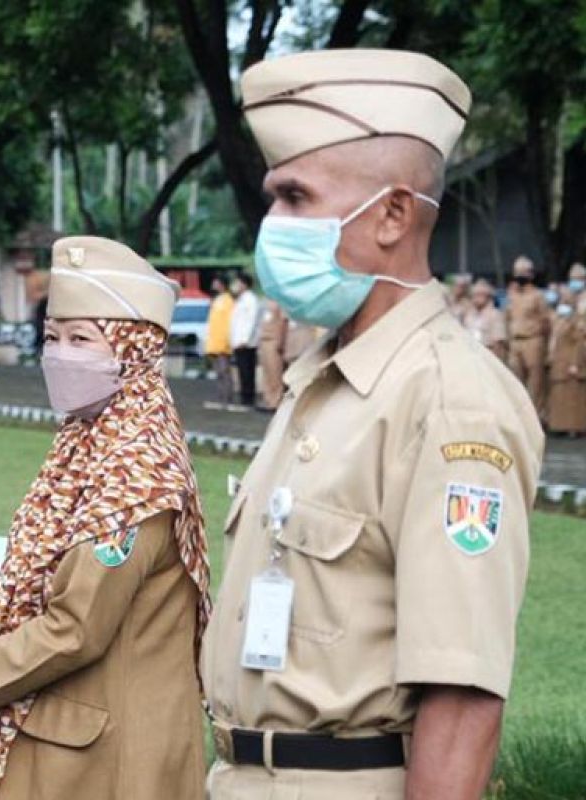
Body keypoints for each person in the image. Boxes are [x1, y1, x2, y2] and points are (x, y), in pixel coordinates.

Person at [204, 50, 543, 799]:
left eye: (295, 197)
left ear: (392, 213)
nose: (274, 225)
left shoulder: (451, 401)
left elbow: (460, 699)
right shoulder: (321, 381)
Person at [0, 235, 211, 800]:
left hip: (111, 762)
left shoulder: (137, 470)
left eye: (82, 339)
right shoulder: (87, 443)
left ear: (135, 351)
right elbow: (43, 601)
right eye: (52, 337)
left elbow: (75, 629)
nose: (60, 354)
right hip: (75, 744)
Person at [505, 254, 550, 412]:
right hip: (515, 341)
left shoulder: (538, 296)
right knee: (515, 380)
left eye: (523, 273)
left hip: (533, 340)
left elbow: (546, 322)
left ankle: (537, 417)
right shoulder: (512, 295)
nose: (520, 276)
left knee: (535, 382)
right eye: (517, 273)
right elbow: (507, 318)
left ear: (531, 275)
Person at [546, 289, 586, 438]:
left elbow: (578, 343)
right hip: (558, 362)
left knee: (573, 398)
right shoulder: (558, 320)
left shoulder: (576, 322)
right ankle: (559, 426)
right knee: (559, 396)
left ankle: (574, 428)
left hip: (570, 362)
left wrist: (575, 363)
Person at [228, 271, 260, 409]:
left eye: (238, 282)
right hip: (238, 341)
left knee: (247, 370)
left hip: (246, 342)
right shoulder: (240, 299)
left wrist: (244, 339)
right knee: (242, 370)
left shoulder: (251, 299)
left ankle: (248, 397)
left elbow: (251, 321)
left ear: (244, 284)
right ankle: (244, 396)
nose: (235, 285)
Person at [203, 274, 235, 409]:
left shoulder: (228, 300)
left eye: (216, 282)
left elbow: (229, 322)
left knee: (224, 371)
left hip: (223, 342)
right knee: (218, 372)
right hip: (214, 342)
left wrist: (228, 340)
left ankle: (227, 398)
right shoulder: (216, 300)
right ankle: (220, 397)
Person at [463, 277, 507, 360]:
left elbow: (498, 342)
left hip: (488, 355)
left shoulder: (495, 314)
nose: (476, 299)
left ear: (487, 297)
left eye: (480, 295)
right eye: (475, 295)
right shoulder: (469, 315)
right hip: (471, 355)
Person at [256, 297, 287, 410]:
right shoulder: (265, 301)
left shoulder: (281, 301)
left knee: (275, 372)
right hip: (264, 339)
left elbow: (284, 322)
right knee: (266, 372)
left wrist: (281, 341)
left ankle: (276, 402)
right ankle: (268, 399)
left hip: (274, 339)